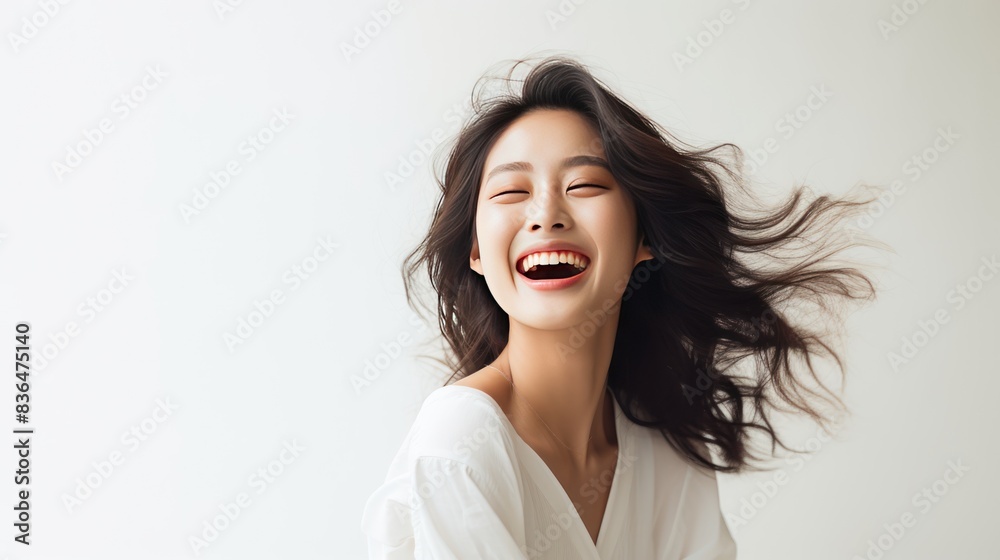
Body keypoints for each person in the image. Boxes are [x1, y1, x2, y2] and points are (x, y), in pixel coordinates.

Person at [361, 54, 881, 559]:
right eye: (511, 192)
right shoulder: (460, 442)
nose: (545, 214)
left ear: (643, 237)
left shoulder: (663, 444)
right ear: (475, 250)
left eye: (584, 185)